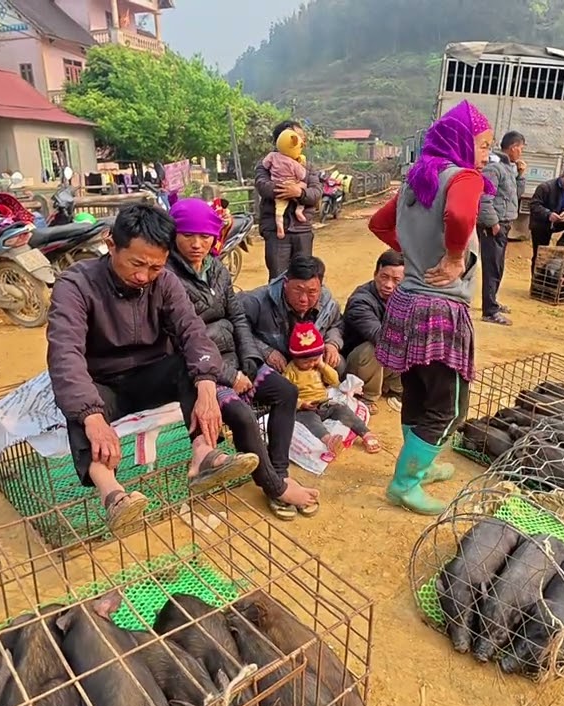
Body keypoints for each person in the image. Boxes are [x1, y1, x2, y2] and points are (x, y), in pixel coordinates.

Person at [47, 203, 261, 536]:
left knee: (192, 368)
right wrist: (93, 417)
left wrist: (207, 387)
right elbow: (66, 354)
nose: (144, 276)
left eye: (155, 267)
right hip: (101, 379)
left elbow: (192, 331)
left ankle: (202, 454)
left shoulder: (166, 282)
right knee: (80, 405)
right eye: (136, 263)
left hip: (150, 373)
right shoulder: (75, 284)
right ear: (111, 243)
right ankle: (113, 495)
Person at [367, 100, 494, 515]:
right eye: (483, 144)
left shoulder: (416, 179)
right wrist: (454, 256)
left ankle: (422, 466)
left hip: (407, 304)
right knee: (449, 406)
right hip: (440, 310)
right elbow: (459, 215)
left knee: (419, 392)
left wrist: (417, 255)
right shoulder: (464, 177)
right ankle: (405, 483)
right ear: (462, 141)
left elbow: (379, 225)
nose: (486, 154)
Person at [165, 198, 321, 520]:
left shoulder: (217, 268)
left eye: (205, 236)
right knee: (241, 414)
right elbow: (185, 339)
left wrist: (250, 357)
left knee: (286, 392)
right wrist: (229, 375)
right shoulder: (168, 278)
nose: (197, 244)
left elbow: (238, 318)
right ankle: (274, 487)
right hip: (202, 369)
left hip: (236, 357)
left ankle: (278, 471)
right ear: (173, 235)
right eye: (188, 235)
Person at [283, 322, 382, 455]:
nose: (311, 364)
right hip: (305, 408)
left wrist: (322, 366)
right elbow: (285, 396)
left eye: (314, 359)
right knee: (311, 422)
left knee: (343, 410)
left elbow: (335, 381)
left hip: (324, 402)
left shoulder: (318, 366)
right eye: (306, 361)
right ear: (295, 357)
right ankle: (329, 440)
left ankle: (365, 433)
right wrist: (301, 404)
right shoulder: (290, 372)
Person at [241, 255, 346, 375]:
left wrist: (332, 343)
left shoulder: (328, 305)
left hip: (311, 360)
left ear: (320, 288)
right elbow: (238, 328)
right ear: (285, 283)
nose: (303, 299)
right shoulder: (257, 301)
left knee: (339, 365)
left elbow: (337, 324)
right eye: (298, 290)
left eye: (312, 292)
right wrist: (265, 351)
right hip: (276, 363)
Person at [255, 120, 323, 281]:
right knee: (278, 278)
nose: (302, 141)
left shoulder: (307, 165)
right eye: (297, 137)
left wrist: (299, 192)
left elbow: (316, 192)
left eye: (302, 137)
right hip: (276, 231)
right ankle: (277, 306)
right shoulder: (267, 163)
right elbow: (263, 186)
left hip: (302, 230)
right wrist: (287, 188)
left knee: (303, 277)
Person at [343, 250, 406, 409]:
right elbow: (380, 337)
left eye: (396, 280)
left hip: (388, 364)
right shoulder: (360, 301)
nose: (388, 285)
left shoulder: (406, 296)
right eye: (384, 277)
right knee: (375, 348)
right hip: (356, 366)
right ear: (375, 274)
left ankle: (394, 385)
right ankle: (367, 396)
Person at [477, 130, 527, 326]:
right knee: (492, 267)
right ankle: (489, 310)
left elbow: (515, 195)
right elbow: (484, 197)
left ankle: (493, 302)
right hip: (494, 225)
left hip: (504, 224)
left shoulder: (508, 168)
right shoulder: (494, 168)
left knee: (498, 266)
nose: (520, 153)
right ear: (514, 147)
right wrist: (492, 223)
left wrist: (521, 175)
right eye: (520, 148)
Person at [529, 168, 564, 271]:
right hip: (542, 224)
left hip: (558, 221)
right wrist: (548, 214)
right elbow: (534, 205)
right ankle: (537, 283)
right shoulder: (545, 187)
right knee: (540, 255)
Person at [263, 128, 309, 238]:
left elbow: (265, 164)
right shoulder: (294, 163)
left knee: (279, 211)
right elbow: (302, 175)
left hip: (279, 185)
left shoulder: (272, 156)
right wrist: (298, 192)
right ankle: (299, 210)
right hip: (292, 184)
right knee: (304, 187)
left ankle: (280, 227)